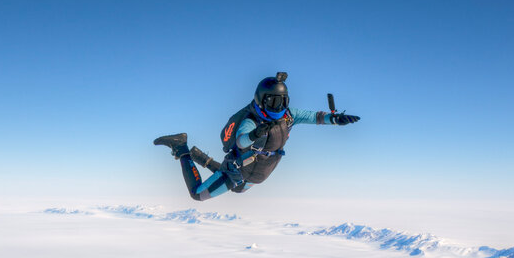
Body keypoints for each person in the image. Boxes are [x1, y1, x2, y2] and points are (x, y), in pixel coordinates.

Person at [154, 72, 360, 201]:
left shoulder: (288, 116)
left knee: (238, 189)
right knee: (198, 194)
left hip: (255, 175)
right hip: (238, 172)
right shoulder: (251, 120)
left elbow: (315, 117)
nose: (278, 107)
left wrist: (336, 119)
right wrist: (254, 134)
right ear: (262, 100)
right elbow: (241, 140)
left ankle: (200, 156)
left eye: (283, 102)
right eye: (273, 102)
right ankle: (181, 148)